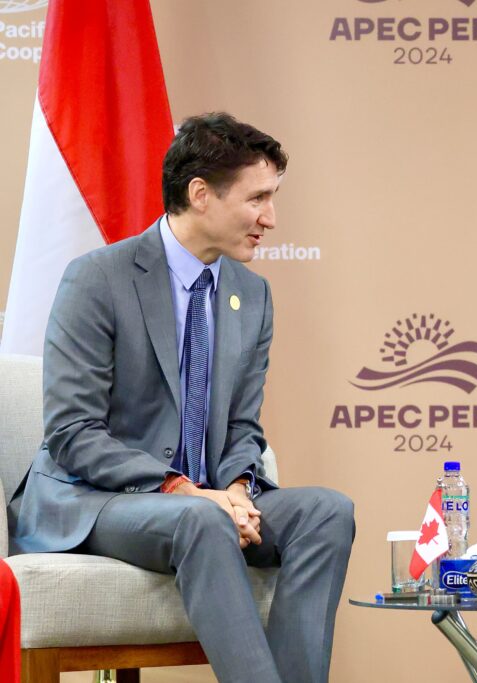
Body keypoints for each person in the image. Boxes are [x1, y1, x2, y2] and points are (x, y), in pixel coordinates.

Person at [7, 112, 355, 683]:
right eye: (258, 198)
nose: (271, 218)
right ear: (200, 195)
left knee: (326, 511)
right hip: (98, 500)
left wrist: (240, 488)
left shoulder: (252, 293)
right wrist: (184, 489)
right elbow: (72, 432)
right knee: (200, 520)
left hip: (206, 500)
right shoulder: (98, 278)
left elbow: (243, 425)